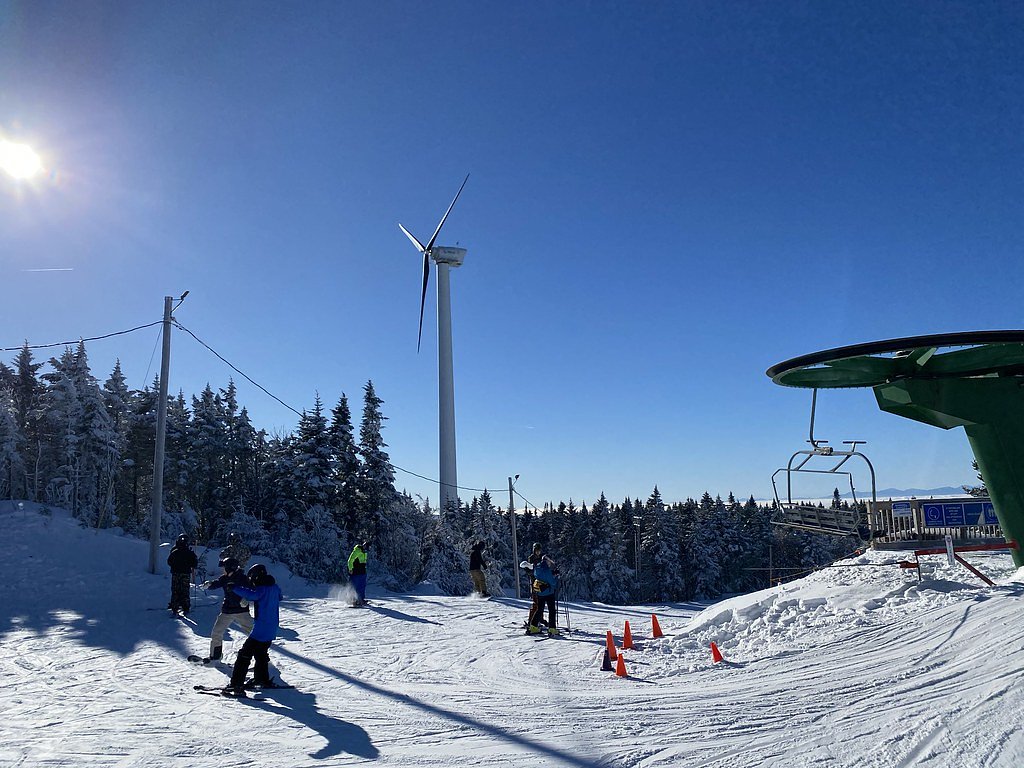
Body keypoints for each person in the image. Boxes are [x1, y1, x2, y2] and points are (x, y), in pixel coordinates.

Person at [224, 563, 282, 696]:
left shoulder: (261, 589)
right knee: (261, 653)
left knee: (244, 654)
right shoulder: (275, 588)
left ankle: (236, 684)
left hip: (261, 628)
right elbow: (279, 596)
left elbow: (252, 595)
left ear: (257, 576)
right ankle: (262, 678)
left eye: (252, 578)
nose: (252, 581)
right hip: (271, 628)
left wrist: (235, 588)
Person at [200, 557, 254, 663]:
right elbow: (217, 583)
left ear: (230, 568)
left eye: (224, 567)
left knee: (254, 634)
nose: (222, 570)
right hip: (227, 611)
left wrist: (246, 599)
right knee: (216, 632)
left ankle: (262, 660)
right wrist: (209, 585)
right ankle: (215, 657)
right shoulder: (224, 578)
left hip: (241, 611)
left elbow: (252, 591)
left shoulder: (242, 578)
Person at [527, 555, 559, 636]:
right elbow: (552, 582)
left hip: (540, 592)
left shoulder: (537, 568)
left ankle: (533, 626)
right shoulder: (547, 570)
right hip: (548, 592)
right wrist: (556, 576)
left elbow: (538, 576)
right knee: (552, 610)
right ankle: (552, 628)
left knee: (539, 609)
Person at [166, 534, 198, 615]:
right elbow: (194, 564)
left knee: (175, 590)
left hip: (176, 573)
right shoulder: (189, 552)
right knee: (185, 590)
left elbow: (169, 562)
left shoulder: (174, 551)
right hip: (185, 574)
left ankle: (175, 606)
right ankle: (185, 606)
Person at [347, 540, 370, 606]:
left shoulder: (365, 553)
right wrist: (350, 569)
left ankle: (361, 599)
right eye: (366, 548)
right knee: (354, 586)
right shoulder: (357, 551)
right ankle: (353, 600)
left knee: (362, 586)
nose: (367, 550)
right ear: (364, 546)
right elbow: (350, 560)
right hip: (355, 572)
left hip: (362, 572)